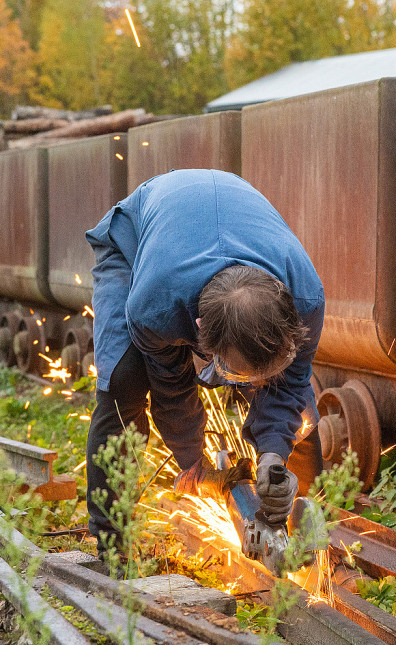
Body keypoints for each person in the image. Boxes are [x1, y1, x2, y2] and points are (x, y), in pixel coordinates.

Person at [84, 169, 325, 552]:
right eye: (238, 376)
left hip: (211, 224)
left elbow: (292, 385)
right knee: (124, 382)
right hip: (134, 245)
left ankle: (305, 519)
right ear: (200, 333)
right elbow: (172, 388)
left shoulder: (306, 300)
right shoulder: (155, 305)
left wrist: (273, 456)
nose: (251, 386)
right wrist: (192, 458)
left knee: (300, 410)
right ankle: (113, 546)